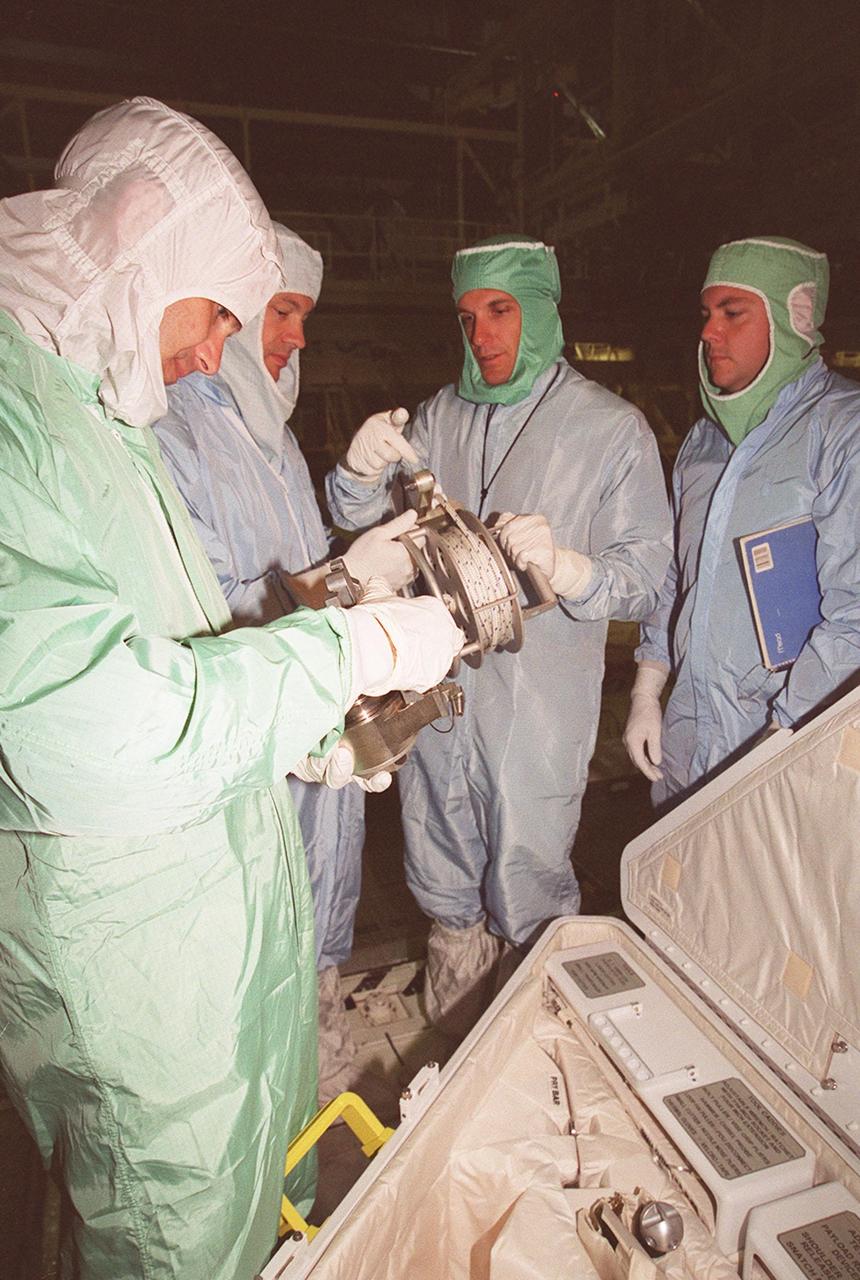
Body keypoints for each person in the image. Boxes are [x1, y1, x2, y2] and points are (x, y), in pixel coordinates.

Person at [0, 97, 463, 1280]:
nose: (218, 352)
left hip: (216, 928)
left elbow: (181, 641)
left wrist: (306, 726)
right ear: (140, 250)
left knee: (261, 1202)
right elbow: (85, 725)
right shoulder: (16, 418)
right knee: (174, 1240)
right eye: (214, 314)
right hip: (141, 978)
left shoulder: (94, 413)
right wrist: (338, 657)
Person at [327, 235, 671, 1034]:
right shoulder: (439, 416)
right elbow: (357, 530)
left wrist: (577, 570)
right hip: (439, 705)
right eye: (468, 315)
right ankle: (456, 1046)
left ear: (543, 312)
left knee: (530, 875)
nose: (482, 335)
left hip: (536, 710)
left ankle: (539, 1045)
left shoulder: (608, 429)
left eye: (502, 311)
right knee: (440, 870)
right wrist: (355, 473)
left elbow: (650, 576)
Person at [154, 222, 418, 1101]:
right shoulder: (176, 430)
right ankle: (278, 1103)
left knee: (317, 914)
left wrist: (351, 575)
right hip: (252, 744)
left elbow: (291, 572)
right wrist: (343, 582)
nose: (298, 337)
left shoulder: (268, 435)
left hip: (306, 730)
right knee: (257, 941)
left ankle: (318, 1056)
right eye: (282, 312)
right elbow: (201, 614)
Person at [624, 236, 860, 808]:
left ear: (790, 321)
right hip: (688, 731)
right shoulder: (703, 443)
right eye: (707, 314)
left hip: (788, 748)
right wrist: (648, 688)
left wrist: (778, 740)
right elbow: (677, 579)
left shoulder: (841, 434)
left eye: (733, 313)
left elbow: (853, 619)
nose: (709, 332)